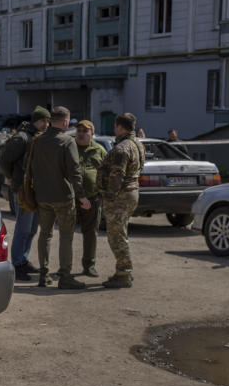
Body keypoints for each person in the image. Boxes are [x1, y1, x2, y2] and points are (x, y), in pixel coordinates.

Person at [28, 106, 90, 289]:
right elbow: (74, 172)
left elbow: (32, 167)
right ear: (65, 122)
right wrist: (82, 197)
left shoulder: (38, 141)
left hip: (43, 196)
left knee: (45, 235)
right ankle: (65, 277)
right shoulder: (66, 141)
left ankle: (43, 275)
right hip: (63, 196)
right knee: (65, 236)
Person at [0, 106, 49, 281]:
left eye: (48, 121)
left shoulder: (37, 137)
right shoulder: (22, 137)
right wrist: (11, 177)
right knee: (23, 228)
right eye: (43, 121)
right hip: (23, 189)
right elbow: (4, 160)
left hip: (35, 189)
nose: (46, 124)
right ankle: (17, 264)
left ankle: (24, 259)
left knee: (32, 228)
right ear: (35, 120)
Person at [97, 113, 145, 288]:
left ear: (119, 127)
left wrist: (109, 197)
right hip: (132, 192)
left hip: (120, 196)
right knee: (121, 233)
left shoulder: (122, 148)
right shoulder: (138, 144)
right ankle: (123, 271)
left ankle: (124, 273)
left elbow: (117, 176)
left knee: (116, 236)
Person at [73, 120, 107, 277]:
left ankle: (89, 265)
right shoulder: (70, 148)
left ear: (92, 134)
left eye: (85, 131)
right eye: (78, 130)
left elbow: (107, 173)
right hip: (70, 198)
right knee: (66, 234)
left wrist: (103, 193)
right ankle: (64, 268)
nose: (80, 133)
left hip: (93, 198)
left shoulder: (99, 150)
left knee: (91, 233)